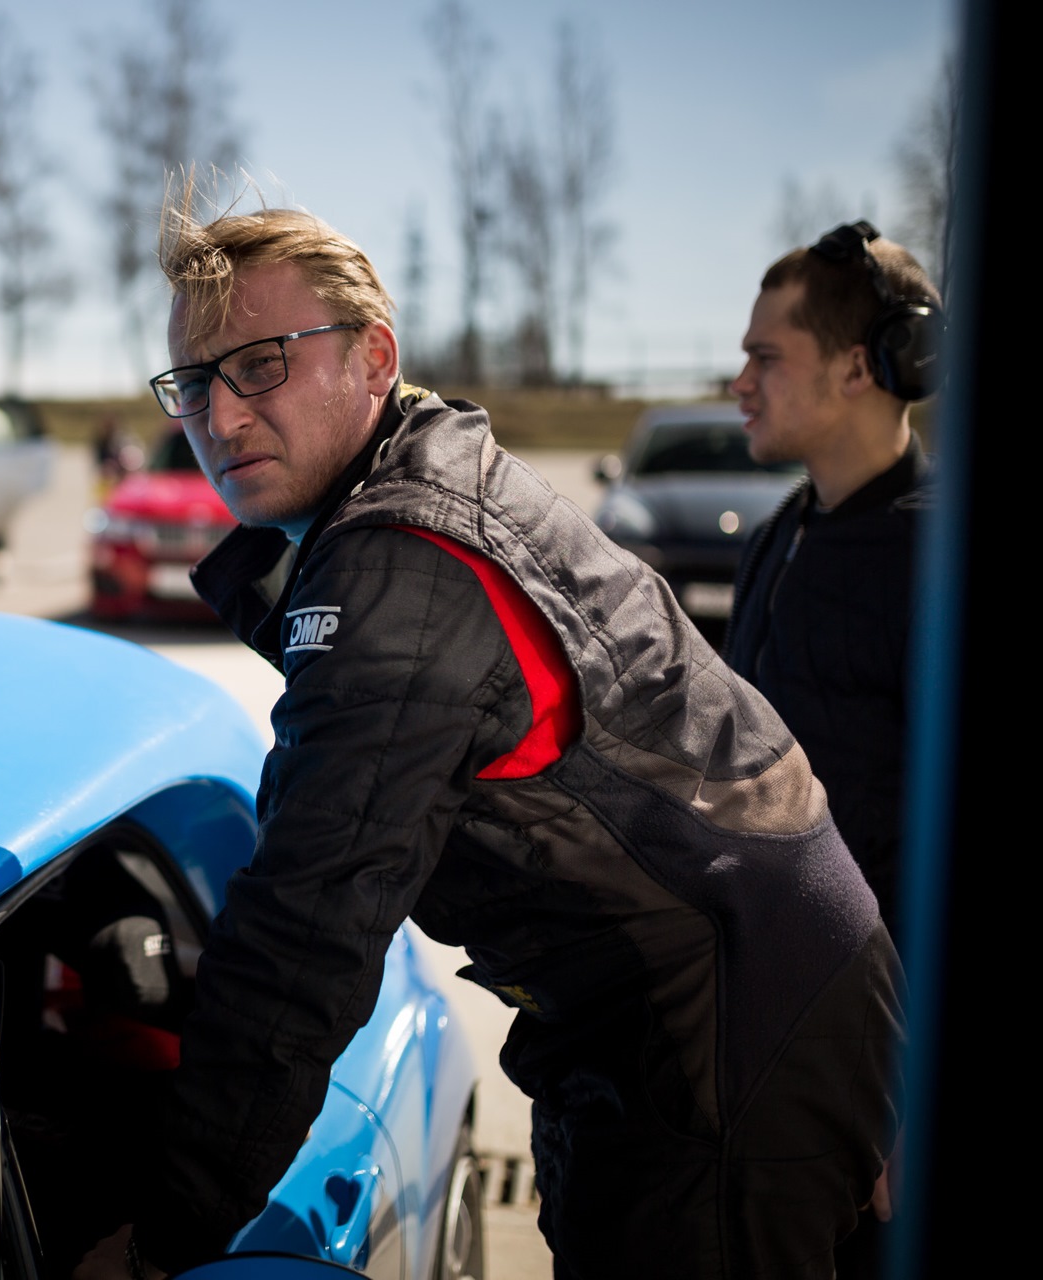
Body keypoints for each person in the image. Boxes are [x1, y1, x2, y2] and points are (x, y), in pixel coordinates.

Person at [76, 197, 903, 1280]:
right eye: (192, 382)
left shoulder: (403, 567)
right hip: (756, 998)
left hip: (721, 1039)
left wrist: (163, 1238)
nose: (220, 416)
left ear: (374, 358)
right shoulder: (428, 479)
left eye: (262, 364)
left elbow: (307, 930)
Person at [722, 221, 941, 1276]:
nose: (740, 383)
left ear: (860, 366)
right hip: (767, 1040)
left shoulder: (934, 556)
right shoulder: (779, 534)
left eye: (767, 357)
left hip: (876, 1073)